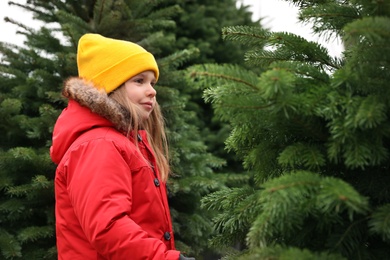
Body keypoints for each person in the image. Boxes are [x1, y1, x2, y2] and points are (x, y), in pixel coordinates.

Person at [50, 33, 194, 260]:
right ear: (112, 86)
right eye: (139, 81)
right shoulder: (99, 144)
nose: (152, 91)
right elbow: (108, 227)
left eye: (152, 83)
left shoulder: (124, 142)